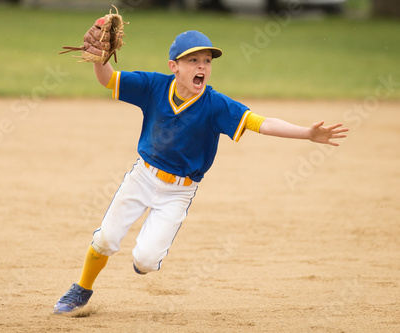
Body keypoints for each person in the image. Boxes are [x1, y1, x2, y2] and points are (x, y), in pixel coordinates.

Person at [53, 30, 348, 314]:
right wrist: (100, 60)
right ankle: (82, 287)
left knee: (145, 260)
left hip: (178, 192)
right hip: (142, 177)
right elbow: (109, 80)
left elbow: (262, 123)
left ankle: (143, 261)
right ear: (174, 67)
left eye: (207, 61)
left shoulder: (215, 105)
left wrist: (306, 134)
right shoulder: (153, 86)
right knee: (106, 239)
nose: (202, 67)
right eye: (193, 60)